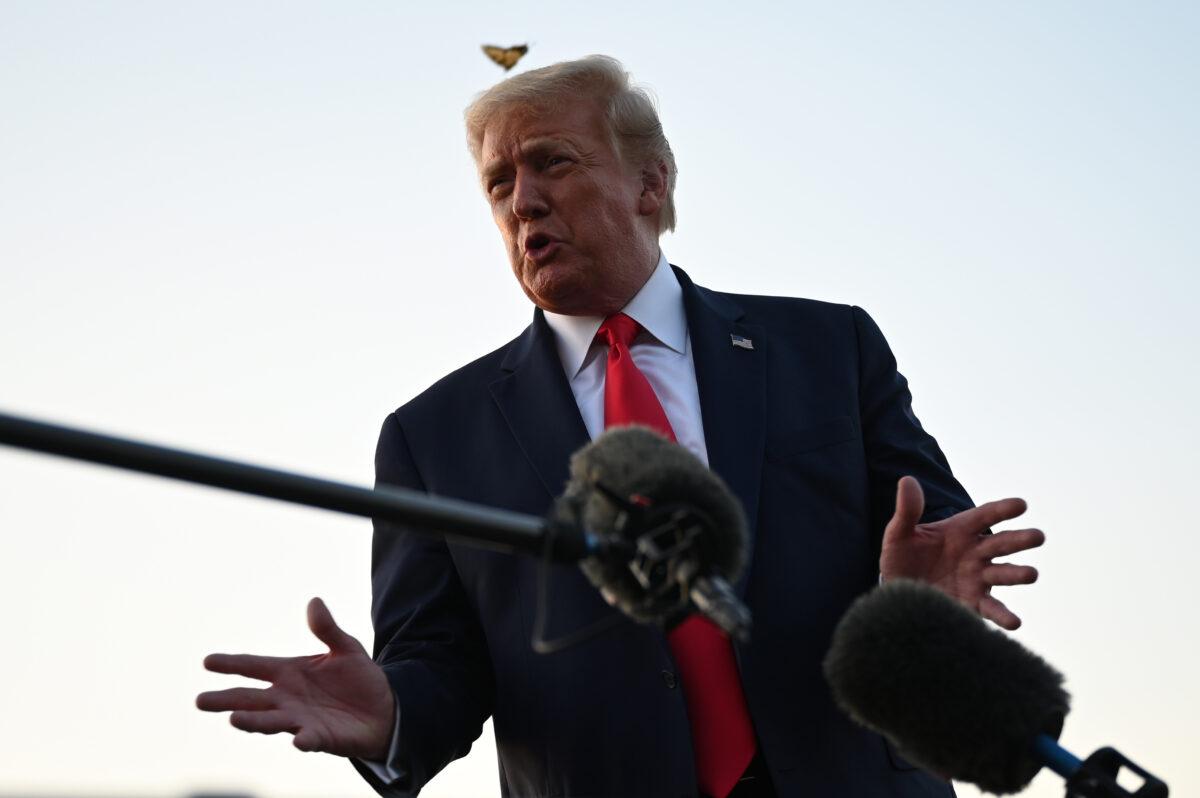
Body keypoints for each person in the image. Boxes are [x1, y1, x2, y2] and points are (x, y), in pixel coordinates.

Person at [197, 56, 1045, 798]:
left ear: (651, 182)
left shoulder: (827, 347)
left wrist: (923, 590)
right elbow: (438, 667)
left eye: (552, 163)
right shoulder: (433, 437)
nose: (523, 201)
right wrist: (391, 715)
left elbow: (930, 531)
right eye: (499, 184)